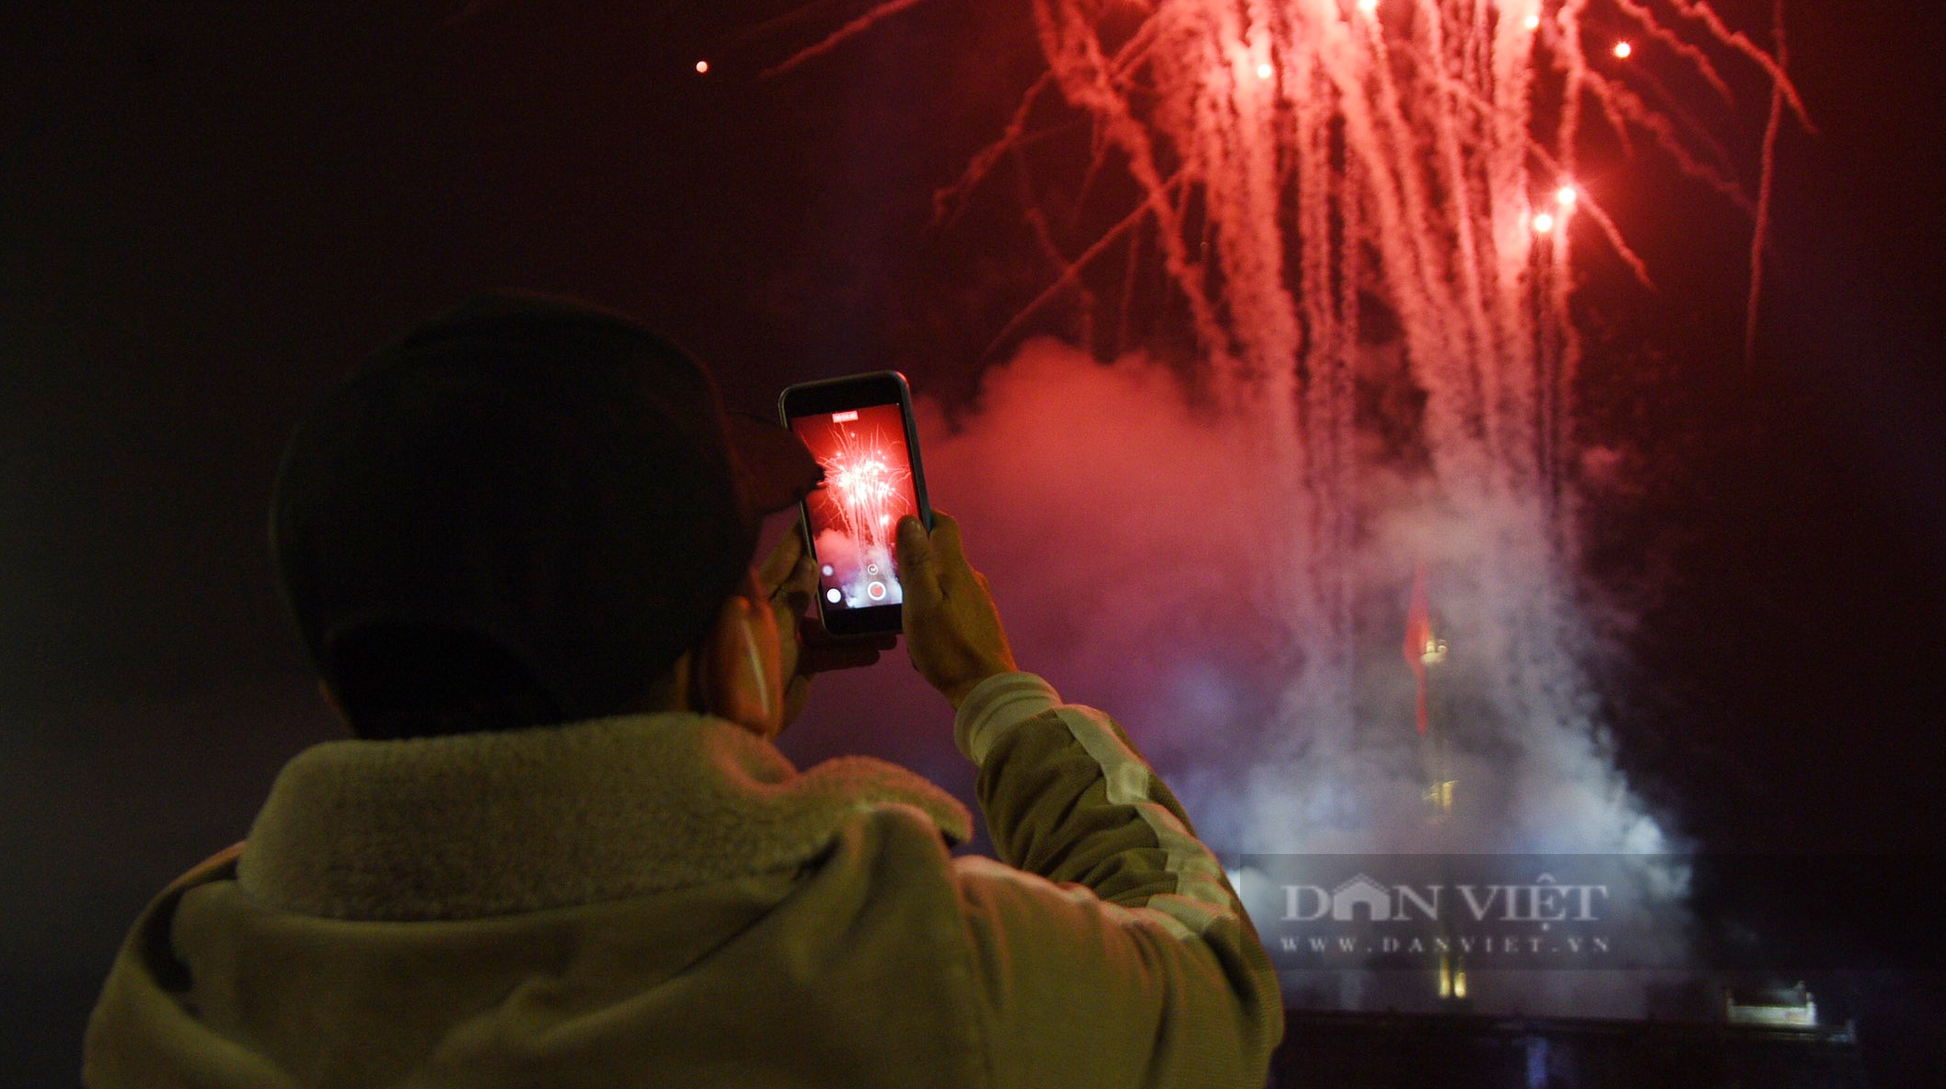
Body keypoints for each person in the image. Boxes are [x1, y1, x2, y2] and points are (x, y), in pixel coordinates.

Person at [83, 294, 1282, 1088]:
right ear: (726, 657)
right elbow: (1211, 977)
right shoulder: (914, 968)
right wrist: (993, 691)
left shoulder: (173, 992)